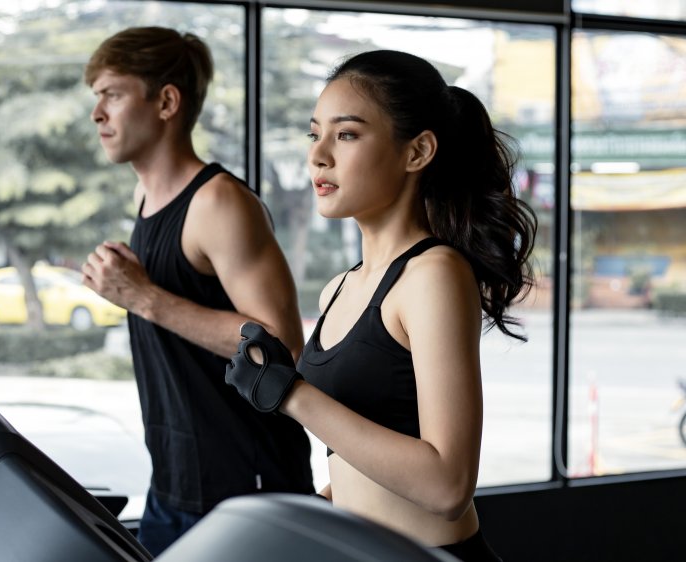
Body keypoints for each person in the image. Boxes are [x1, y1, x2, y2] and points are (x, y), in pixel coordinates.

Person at [225, 49, 537, 562]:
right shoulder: (338, 289)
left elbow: (447, 485)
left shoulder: (433, 274)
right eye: (314, 133)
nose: (319, 155)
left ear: (417, 152)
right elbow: (362, 459)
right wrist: (320, 505)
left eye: (346, 134)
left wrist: (293, 396)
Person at [80, 27, 314, 555]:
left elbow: (279, 344)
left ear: (166, 101)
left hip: (246, 490)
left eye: (112, 94)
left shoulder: (218, 203)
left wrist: (142, 297)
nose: (97, 113)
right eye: (95, 97)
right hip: (173, 485)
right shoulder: (146, 195)